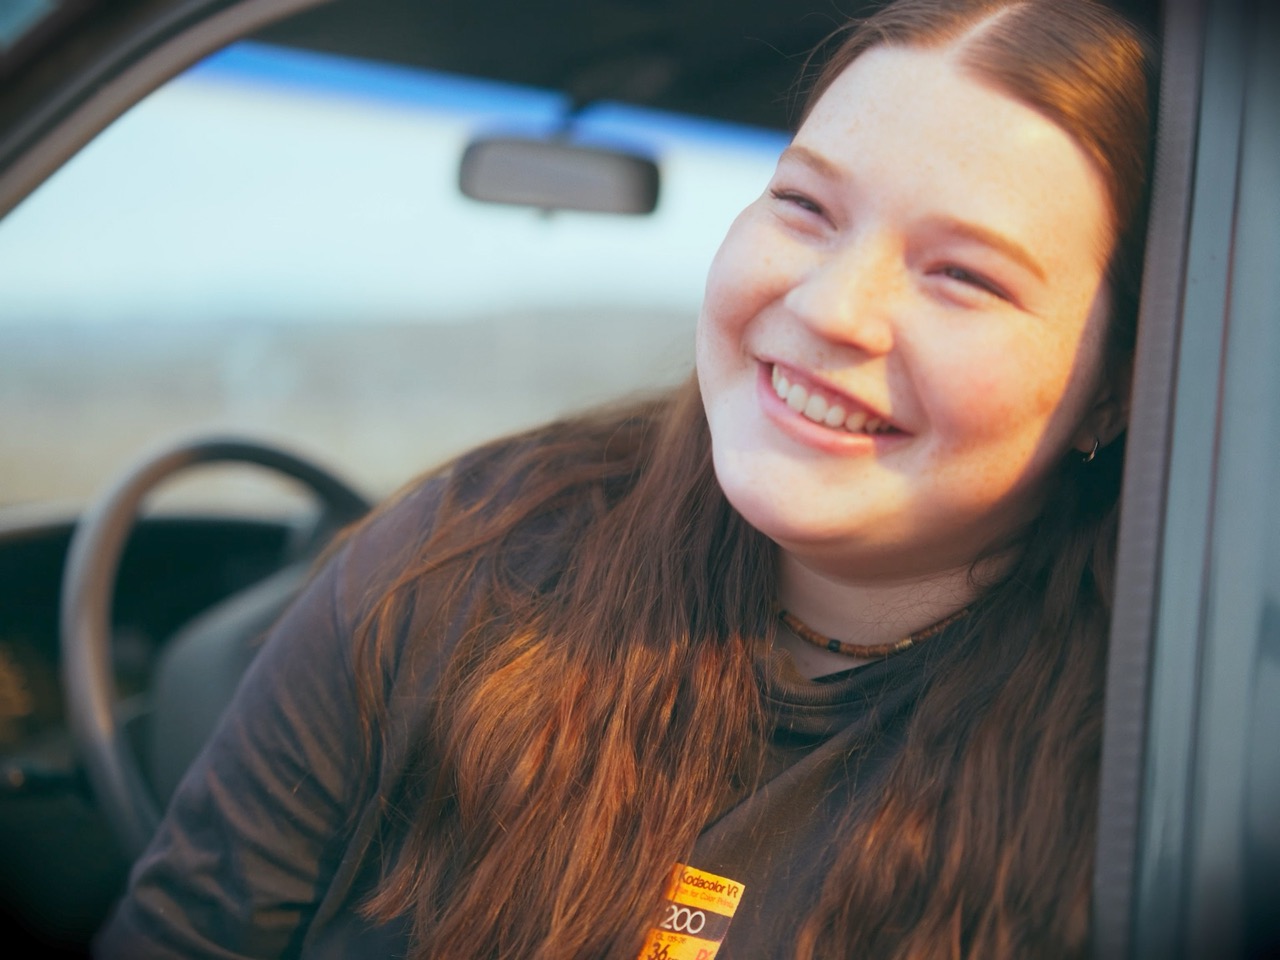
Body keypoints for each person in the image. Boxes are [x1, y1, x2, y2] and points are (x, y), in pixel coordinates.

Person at [96, 0, 1155, 957]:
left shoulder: (1148, 766)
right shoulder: (470, 557)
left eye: (961, 274)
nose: (833, 306)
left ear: (1112, 389)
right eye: (804, 207)